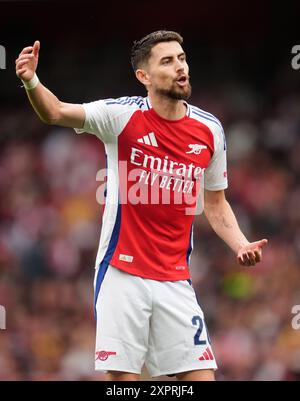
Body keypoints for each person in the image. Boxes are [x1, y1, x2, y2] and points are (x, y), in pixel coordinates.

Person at [16, 30, 268, 381]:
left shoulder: (210, 130)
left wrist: (240, 243)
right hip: (122, 275)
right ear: (143, 76)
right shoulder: (121, 116)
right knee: (124, 382)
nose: (180, 67)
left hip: (175, 279)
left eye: (182, 58)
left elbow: (215, 202)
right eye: (167, 61)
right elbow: (55, 112)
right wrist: (31, 81)